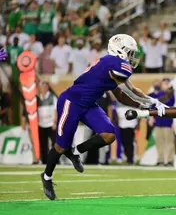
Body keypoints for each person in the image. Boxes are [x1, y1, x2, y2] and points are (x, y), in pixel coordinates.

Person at [41, 34, 167, 201]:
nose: (132, 57)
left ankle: (76, 151)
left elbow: (122, 96)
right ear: (120, 50)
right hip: (71, 102)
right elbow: (131, 90)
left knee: (108, 135)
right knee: (60, 147)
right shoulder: (113, 62)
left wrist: (147, 104)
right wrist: (152, 101)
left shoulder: (111, 66)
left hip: (88, 105)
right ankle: (47, 177)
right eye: (130, 52)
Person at [36, 82, 58, 165]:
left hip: (51, 124)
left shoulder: (53, 97)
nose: (43, 89)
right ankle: (44, 161)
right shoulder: (37, 98)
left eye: (45, 87)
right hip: (41, 124)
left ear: (47, 88)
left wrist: (54, 122)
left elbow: (56, 110)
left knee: (54, 144)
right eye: (42, 87)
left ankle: (55, 160)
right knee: (43, 144)